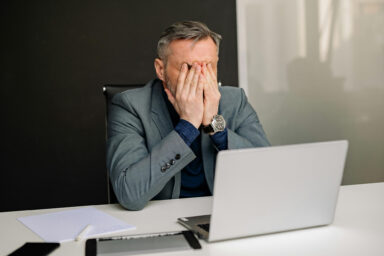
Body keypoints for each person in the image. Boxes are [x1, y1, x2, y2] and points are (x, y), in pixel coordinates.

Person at [106, 21, 270, 211]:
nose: (200, 78)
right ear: (161, 69)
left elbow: (267, 174)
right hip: (161, 219)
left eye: (208, 67)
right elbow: (130, 195)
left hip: (225, 214)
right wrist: (188, 125)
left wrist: (215, 125)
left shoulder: (235, 100)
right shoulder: (130, 106)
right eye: (188, 68)